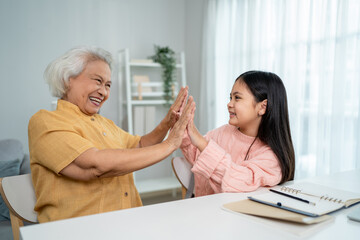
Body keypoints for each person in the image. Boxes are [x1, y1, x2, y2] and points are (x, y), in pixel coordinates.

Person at [28, 46, 195, 223]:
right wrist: (170, 144)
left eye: (107, 85)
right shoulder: (45, 121)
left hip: (127, 224)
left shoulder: (104, 123)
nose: (103, 91)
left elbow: (140, 145)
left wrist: (167, 123)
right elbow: (94, 165)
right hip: (79, 230)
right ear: (68, 79)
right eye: (97, 81)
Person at [181, 70, 295, 196]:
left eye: (237, 98)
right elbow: (195, 155)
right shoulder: (222, 133)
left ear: (262, 107)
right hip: (206, 210)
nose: (229, 104)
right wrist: (182, 126)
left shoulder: (271, 157)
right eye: (230, 98)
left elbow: (238, 181)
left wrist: (202, 143)